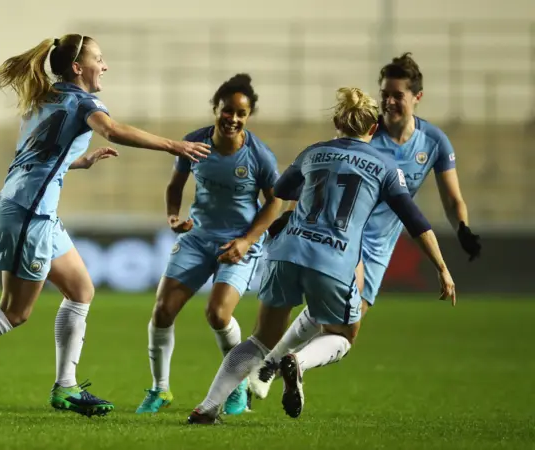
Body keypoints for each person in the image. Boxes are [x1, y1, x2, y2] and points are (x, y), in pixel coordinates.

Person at [0, 33, 210, 417]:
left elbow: (34, 156)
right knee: (14, 312)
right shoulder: (84, 101)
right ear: (77, 67)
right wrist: (175, 145)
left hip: (35, 213)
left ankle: (66, 388)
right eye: (98, 58)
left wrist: (77, 163)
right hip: (26, 214)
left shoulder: (44, 98)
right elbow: (112, 129)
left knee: (81, 290)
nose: (104, 66)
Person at [187, 87, 456, 424]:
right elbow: (415, 221)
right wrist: (442, 268)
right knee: (342, 334)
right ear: (373, 129)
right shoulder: (386, 166)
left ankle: (207, 407)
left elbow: (279, 194)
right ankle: (298, 363)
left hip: (286, 252)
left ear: (336, 122)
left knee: (260, 338)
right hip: (334, 258)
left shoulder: (312, 153)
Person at [248, 53, 481, 400]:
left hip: (378, 246)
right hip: (341, 237)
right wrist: (293, 215)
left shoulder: (433, 142)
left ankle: (272, 363)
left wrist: (462, 227)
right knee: (345, 327)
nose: (388, 101)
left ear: (417, 97)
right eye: (384, 93)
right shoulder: (368, 130)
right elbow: (318, 179)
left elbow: (452, 197)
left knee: (332, 317)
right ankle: (280, 362)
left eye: (397, 94)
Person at [135, 74, 282, 416]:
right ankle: (160, 390)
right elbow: (175, 186)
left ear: (248, 117)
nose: (232, 118)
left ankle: (238, 385)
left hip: (236, 244)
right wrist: (174, 216)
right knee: (162, 311)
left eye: (240, 113)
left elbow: (275, 202)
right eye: (226, 110)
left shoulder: (259, 156)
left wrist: (247, 241)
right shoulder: (194, 143)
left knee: (217, 315)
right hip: (197, 238)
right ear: (215, 109)